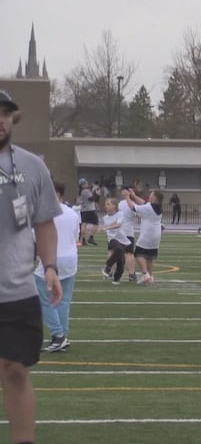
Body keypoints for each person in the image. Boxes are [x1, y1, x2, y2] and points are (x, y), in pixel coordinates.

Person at [0, 89, 63, 444]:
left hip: (15, 289)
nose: (0, 120)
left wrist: (50, 266)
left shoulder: (32, 165)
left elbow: (44, 222)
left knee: (15, 371)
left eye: (5, 113)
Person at [36, 181, 80, 353]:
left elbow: (37, 237)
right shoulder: (72, 212)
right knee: (63, 300)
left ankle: (58, 335)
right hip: (70, 258)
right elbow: (76, 235)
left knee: (45, 299)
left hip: (53, 259)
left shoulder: (44, 212)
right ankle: (62, 335)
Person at [123, 189, 163, 285]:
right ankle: (150, 276)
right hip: (156, 234)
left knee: (138, 253)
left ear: (154, 198)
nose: (149, 196)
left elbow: (133, 207)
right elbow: (144, 203)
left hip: (148, 234)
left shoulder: (149, 207)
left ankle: (145, 274)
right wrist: (134, 195)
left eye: (151, 195)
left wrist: (127, 197)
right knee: (149, 256)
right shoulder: (157, 207)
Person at [100, 198, 131, 286]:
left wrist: (106, 228)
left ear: (114, 206)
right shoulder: (105, 218)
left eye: (108, 204)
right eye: (106, 204)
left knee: (121, 260)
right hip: (112, 238)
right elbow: (109, 230)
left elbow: (118, 225)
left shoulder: (120, 214)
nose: (106, 206)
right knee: (118, 249)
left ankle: (117, 278)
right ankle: (108, 266)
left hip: (122, 238)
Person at [117, 187, 139, 282]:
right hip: (128, 231)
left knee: (115, 253)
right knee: (129, 254)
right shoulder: (133, 204)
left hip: (118, 231)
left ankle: (111, 272)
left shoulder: (119, 203)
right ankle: (131, 273)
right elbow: (139, 215)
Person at [77, 177, 100, 246]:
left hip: (84, 210)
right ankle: (91, 237)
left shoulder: (82, 191)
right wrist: (96, 193)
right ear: (83, 184)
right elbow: (91, 198)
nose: (87, 184)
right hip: (89, 209)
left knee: (84, 224)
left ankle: (83, 239)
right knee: (96, 223)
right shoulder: (86, 191)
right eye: (86, 183)